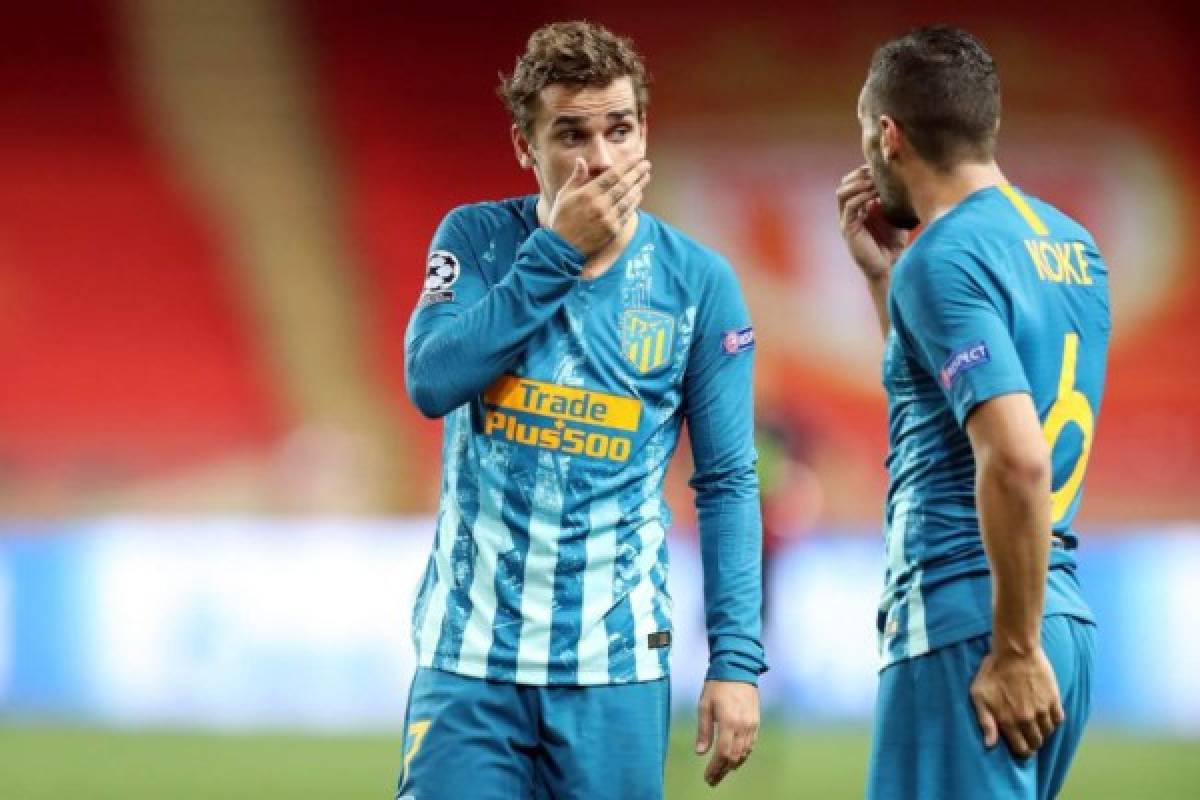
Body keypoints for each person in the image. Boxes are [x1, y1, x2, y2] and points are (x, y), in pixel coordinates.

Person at [399, 20, 765, 800]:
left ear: (644, 136)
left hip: (614, 669)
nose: (599, 158)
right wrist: (556, 253)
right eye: (570, 134)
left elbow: (728, 480)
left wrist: (734, 661)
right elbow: (431, 382)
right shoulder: (478, 240)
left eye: (619, 129)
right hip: (470, 664)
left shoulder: (697, 283)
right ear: (524, 146)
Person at [835, 25, 1110, 800]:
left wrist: (1014, 648)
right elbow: (951, 403)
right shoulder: (1071, 242)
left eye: (863, 130)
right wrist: (884, 281)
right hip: (1057, 610)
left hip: (972, 616)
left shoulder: (945, 256)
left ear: (889, 135)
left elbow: (1016, 456)